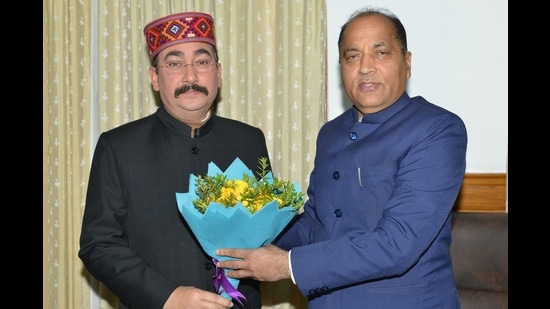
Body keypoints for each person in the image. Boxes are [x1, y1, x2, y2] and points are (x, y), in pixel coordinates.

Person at [217, 6, 467, 308]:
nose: (365, 67)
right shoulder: (331, 133)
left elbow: (398, 243)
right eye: (352, 56)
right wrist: (248, 237)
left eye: (381, 53)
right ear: (341, 67)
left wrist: (287, 265)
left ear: (407, 62)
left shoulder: (436, 129)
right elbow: (316, 223)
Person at [78, 12, 269, 309]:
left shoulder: (248, 139)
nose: (190, 77)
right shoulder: (118, 145)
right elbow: (99, 245)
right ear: (155, 78)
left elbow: (265, 225)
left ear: (218, 73)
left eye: (202, 62)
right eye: (174, 64)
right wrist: (167, 297)